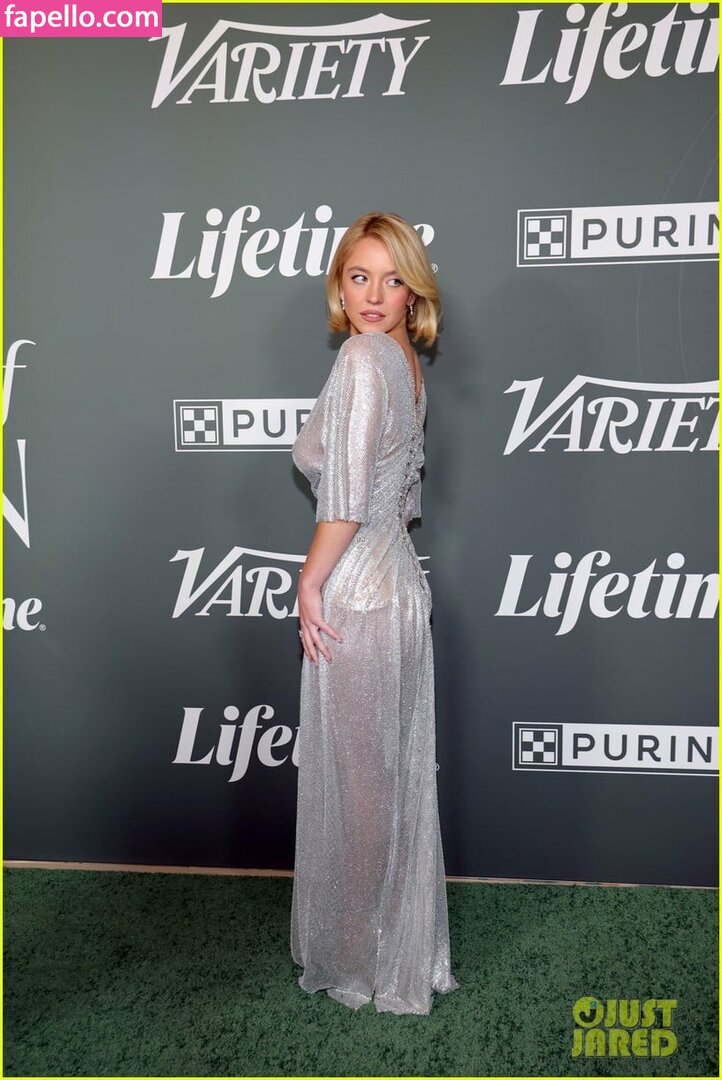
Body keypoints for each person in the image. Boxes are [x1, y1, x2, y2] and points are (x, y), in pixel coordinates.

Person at [289, 210, 459, 1016]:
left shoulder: (363, 357)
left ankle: (360, 954)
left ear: (413, 291)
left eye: (394, 280)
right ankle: (393, 944)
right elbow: (399, 497)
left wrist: (310, 581)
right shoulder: (404, 362)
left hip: (359, 591)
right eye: (360, 276)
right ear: (340, 282)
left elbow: (348, 496)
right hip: (402, 590)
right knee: (385, 779)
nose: (374, 295)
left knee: (360, 786)